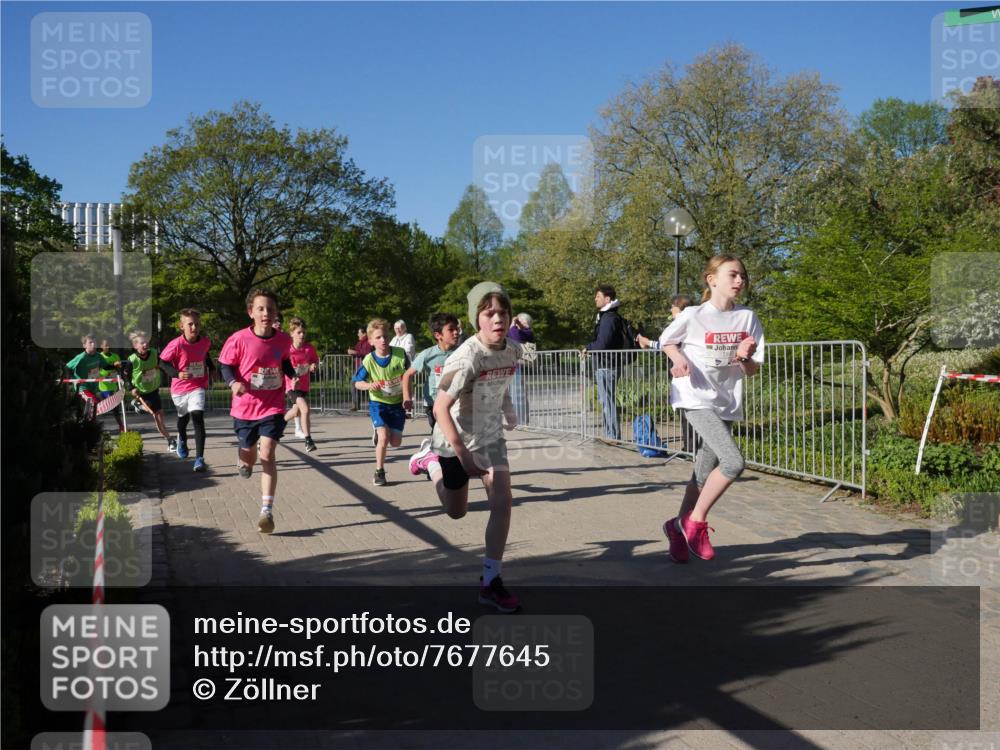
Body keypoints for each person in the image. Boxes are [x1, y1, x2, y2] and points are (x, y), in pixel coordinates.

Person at [407, 282, 523, 612]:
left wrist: (508, 408)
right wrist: (461, 454)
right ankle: (429, 461)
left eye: (503, 312)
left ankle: (491, 582)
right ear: (477, 319)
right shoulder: (465, 357)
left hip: (490, 437)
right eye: (489, 313)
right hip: (453, 439)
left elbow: (502, 383)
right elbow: (439, 408)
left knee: (503, 501)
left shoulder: (513, 349)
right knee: (456, 512)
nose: (498, 319)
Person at [658, 255, 764, 563]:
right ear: (712, 279)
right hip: (694, 396)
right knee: (733, 462)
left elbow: (752, 371)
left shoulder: (747, 317)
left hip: (726, 400)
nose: (739, 280)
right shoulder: (693, 315)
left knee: (703, 475)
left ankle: (676, 527)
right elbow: (667, 341)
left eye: (742, 275)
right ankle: (695, 522)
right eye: (732, 274)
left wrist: (745, 357)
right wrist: (678, 360)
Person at [218, 289, 298, 534]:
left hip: (272, 406)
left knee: (268, 452)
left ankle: (267, 511)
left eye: (270, 309)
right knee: (249, 456)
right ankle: (244, 459)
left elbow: (284, 361)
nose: (266, 313)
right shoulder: (239, 338)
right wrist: (233, 383)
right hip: (244, 408)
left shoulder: (284, 339)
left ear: (276, 313)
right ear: (251, 312)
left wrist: (293, 377)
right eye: (261, 309)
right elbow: (225, 365)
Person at [352, 319, 410, 486]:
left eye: (385, 336)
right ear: (370, 341)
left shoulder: (400, 354)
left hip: (397, 404)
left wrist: (408, 398)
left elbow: (408, 377)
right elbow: (357, 382)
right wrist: (370, 385)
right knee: (384, 438)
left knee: (396, 442)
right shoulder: (369, 360)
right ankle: (380, 471)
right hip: (378, 403)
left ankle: (380, 433)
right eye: (378, 337)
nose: (383, 340)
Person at [160, 309, 214, 472]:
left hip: (197, 386)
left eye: (197, 324)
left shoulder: (205, 342)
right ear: (181, 326)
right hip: (179, 389)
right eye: (190, 324)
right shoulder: (176, 344)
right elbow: (163, 363)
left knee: (197, 416)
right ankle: (182, 438)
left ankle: (199, 459)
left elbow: (206, 356)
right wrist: (177, 374)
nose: (194, 327)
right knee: (183, 419)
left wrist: (212, 368)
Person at [402, 312, 461, 434]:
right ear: (438, 335)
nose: (456, 332)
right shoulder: (427, 354)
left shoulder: (462, 352)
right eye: (451, 330)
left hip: (456, 403)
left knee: (456, 437)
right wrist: (407, 398)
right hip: (434, 403)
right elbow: (407, 374)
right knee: (441, 435)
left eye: (457, 329)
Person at [582, 285, 628, 441]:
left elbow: (602, 343)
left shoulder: (609, 318)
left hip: (607, 365)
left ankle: (613, 436)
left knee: (607, 401)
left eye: (598, 296)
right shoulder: (608, 317)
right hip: (607, 364)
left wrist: (588, 348)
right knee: (606, 400)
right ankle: (609, 434)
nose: (595, 299)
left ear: (607, 299)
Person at [124, 330, 177, 452]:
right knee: (156, 415)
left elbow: (163, 364)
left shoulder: (154, 353)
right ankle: (170, 440)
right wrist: (131, 388)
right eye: (142, 343)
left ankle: (169, 440)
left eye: (146, 342)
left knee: (159, 417)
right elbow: (126, 376)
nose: (145, 345)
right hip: (142, 392)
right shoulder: (132, 360)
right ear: (135, 346)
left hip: (154, 390)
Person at [283, 317, 320, 452]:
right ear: (292, 333)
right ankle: (308, 440)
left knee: (295, 411)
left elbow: (314, 361)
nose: (302, 335)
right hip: (292, 386)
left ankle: (279, 424)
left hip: (304, 385)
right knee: (304, 409)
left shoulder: (309, 349)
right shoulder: (287, 349)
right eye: (299, 332)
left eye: (304, 332)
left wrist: (313, 366)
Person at [65, 334, 113, 421]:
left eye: (95, 342)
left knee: (93, 408)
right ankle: (85, 422)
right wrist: (74, 380)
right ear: (84, 346)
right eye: (90, 343)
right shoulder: (81, 357)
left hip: (93, 387)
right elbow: (67, 368)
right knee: (94, 402)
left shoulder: (99, 356)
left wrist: (116, 366)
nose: (93, 344)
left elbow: (106, 366)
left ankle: (90, 424)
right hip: (83, 387)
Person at [507, 312, 535, 425]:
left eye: (521, 321)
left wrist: (513, 324)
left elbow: (514, 336)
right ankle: (521, 420)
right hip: (514, 366)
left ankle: (521, 421)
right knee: (516, 394)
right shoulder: (522, 331)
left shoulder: (527, 332)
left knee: (518, 394)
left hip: (520, 367)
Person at [97, 338, 125, 432]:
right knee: (109, 406)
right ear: (101, 346)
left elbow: (119, 369)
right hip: (104, 387)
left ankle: (121, 426)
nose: (108, 347)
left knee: (115, 408)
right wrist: (107, 374)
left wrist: (119, 367)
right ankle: (95, 427)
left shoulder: (115, 356)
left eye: (109, 345)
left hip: (114, 385)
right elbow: (97, 372)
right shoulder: (99, 357)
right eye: (106, 345)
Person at [347, 328, 374, 411]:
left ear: (364, 334)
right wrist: (351, 352)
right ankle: (356, 405)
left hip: (367, 367)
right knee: (354, 382)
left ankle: (372, 406)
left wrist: (355, 353)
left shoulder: (369, 342)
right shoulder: (359, 343)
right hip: (360, 367)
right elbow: (357, 351)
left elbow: (367, 354)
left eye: (359, 333)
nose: (358, 335)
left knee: (371, 385)